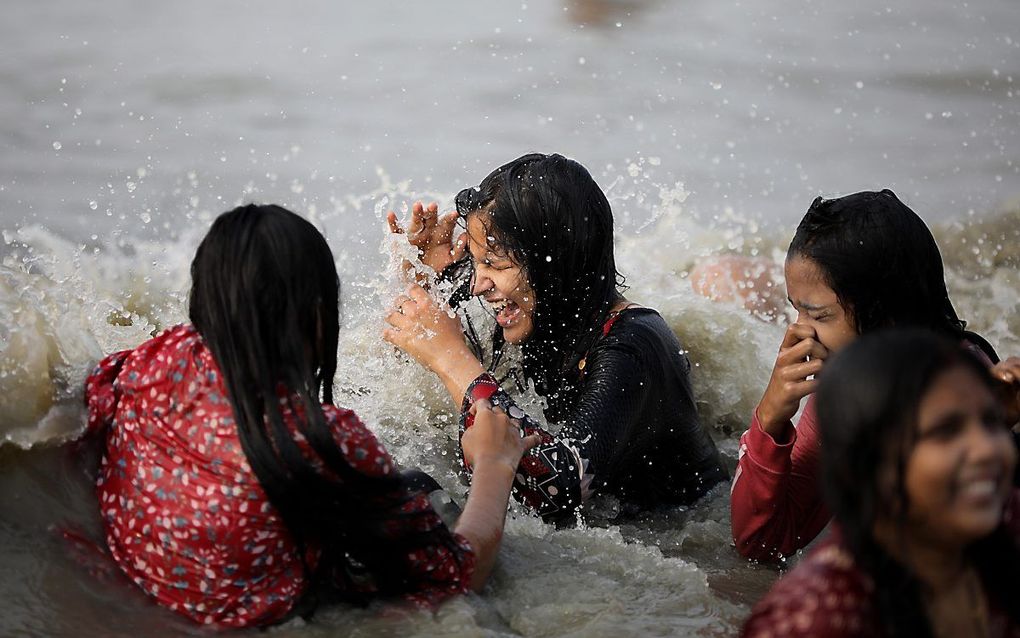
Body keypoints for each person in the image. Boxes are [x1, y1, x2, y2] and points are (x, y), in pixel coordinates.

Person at [82, 204, 538, 628]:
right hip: (268, 619)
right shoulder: (325, 442)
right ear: (317, 316)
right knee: (424, 491)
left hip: (143, 599)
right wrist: (495, 465)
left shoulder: (151, 362)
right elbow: (457, 572)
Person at [383, 153, 726, 522]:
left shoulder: (632, 345)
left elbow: (556, 492)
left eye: (495, 265)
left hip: (689, 527)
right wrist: (427, 284)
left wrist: (452, 360)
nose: (477, 284)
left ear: (555, 262)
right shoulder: (541, 309)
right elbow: (413, 378)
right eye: (476, 260)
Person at [729, 189, 1016, 561]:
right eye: (796, 311)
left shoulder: (965, 391)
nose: (800, 333)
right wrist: (770, 420)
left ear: (887, 318)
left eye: (819, 316)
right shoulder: (847, 386)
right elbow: (762, 545)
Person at [741, 330, 1020, 638]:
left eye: (991, 421)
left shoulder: (1007, 521)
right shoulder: (817, 618)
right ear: (869, 465)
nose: (988, 449)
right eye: (946, 432)